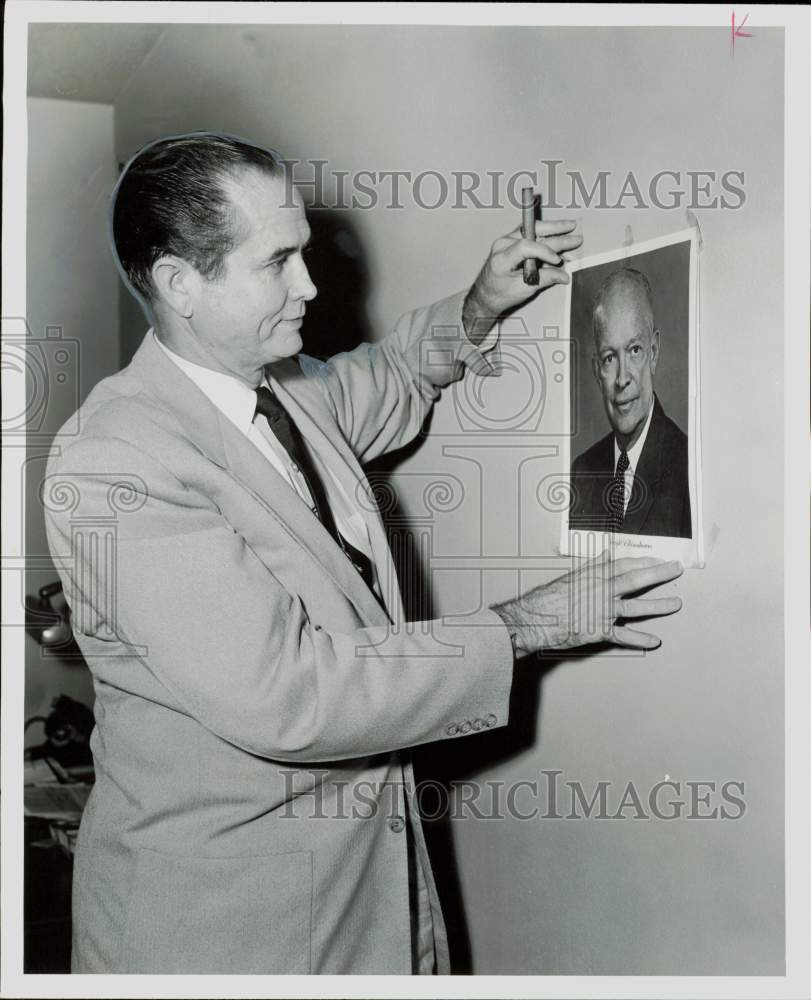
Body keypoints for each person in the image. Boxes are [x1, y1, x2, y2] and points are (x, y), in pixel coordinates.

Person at [43, 133, 684, 975]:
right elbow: (291, 695)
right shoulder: (115, 459)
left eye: (304, 251)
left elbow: (386, 376)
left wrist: (480, 307)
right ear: (178, 285)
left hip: (352, 900)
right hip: (220, 932)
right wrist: (521, 627)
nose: (309, 284)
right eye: (278, 262)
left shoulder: (278, 389)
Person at [568, 268, 692, 538]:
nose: (622, 378)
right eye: (610, 357)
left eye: (634, 350)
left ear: (654, 352)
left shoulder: (689, 466)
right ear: (597, 371)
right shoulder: (581, 472)